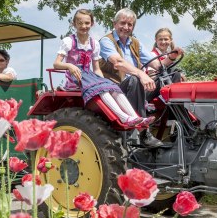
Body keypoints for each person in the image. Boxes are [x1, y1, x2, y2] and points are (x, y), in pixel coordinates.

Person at [54, 9, 153, 127]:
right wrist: (70, 65)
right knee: (102, 90)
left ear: (92, 23)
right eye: (80, 23)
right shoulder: (69, 41)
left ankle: (137, 118)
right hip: (75, 76)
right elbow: (56, 64)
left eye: (87, 23)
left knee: (111, 87)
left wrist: (102, 81)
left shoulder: (94, 43)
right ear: (74, 24)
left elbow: (96, 68)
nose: (83, 26)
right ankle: (123, 117)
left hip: (89, 74)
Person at [98, 8, 181, 148]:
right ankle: (144, 134)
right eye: (122, 23)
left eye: (130, 25)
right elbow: (118, 63)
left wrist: (172, 57)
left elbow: (157, 64)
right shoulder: (106, 41)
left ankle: (179, 125)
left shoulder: (135, 43)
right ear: (114, 23)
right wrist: (141, 74)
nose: (126, 27)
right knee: (135, 80)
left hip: (135, 87)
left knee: (174, 75)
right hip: (115, 89)